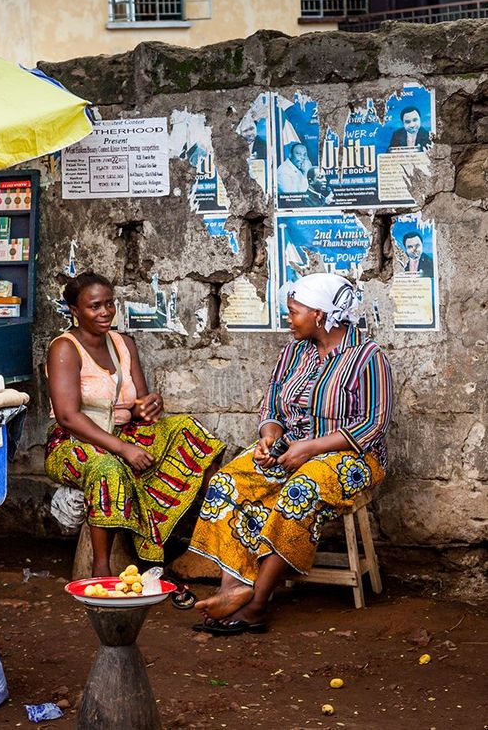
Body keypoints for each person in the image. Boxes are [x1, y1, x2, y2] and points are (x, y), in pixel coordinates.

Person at [188, 273, 392, 635]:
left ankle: (255, 605)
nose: (288, 318)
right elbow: (271, 406)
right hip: (291, 449)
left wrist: (311, 448)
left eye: (294, 311)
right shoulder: (293, 352)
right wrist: (269, 439)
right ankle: (230, 587)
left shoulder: (367, 357)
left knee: (299, 490)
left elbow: (372, 424)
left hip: (354, 458)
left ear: (319, 314)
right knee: (228, 481)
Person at [45, 272, 225, 604]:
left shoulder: (122, 344)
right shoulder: (64, 350)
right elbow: (69, 416)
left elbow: (141, 404)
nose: (104, 312)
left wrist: (150, 404)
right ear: (74, 309)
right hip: (73, 444)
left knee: (188, 432)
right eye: (94, 306)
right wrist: (123, 449)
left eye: (109, 304)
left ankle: (205, 544)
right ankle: (102, 572)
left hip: (125, 434)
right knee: (106, 468)